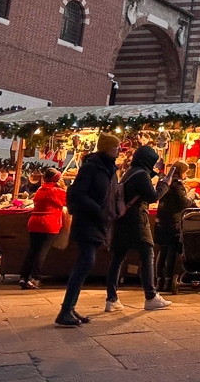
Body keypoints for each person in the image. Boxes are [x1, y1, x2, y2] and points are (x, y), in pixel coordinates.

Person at [57, 134, 121, 328]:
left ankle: (70, 307)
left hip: (99, 221)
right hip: (88, 221)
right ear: (107, 148)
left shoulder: (109, 169)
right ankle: (65, 310)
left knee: (86, 262)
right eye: (116, 147)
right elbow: (77, 193)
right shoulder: (92, 167)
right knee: (86, 261)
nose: (119, 151)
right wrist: (97, 209)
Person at [105, 145, 172, 312]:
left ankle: (111, 299)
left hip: (122, 221)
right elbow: (152, 196)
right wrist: (165, 184)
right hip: (137, 220)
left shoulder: (130, 172)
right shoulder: (141, 174)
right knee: (147, 254)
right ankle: (151, 296)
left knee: (118, 258)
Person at [19, 168, 66, 289]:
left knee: (32, 250)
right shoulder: (56, 191)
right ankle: (35, 278)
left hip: (34, 222)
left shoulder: (40, 189)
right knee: (42, 251)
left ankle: (23, 277)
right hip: (48, 223)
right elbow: (68, 201)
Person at [155, 160, 192, 293]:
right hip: (172, 221)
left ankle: (159, 281)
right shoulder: (177, 185)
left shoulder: (164, 181)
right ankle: (168, 281)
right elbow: (183, 203)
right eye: (186, 171)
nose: (186, 174)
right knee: (171, 251)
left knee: (162, 250)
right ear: (181, 171)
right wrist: (193, 200)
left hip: (160, 220)